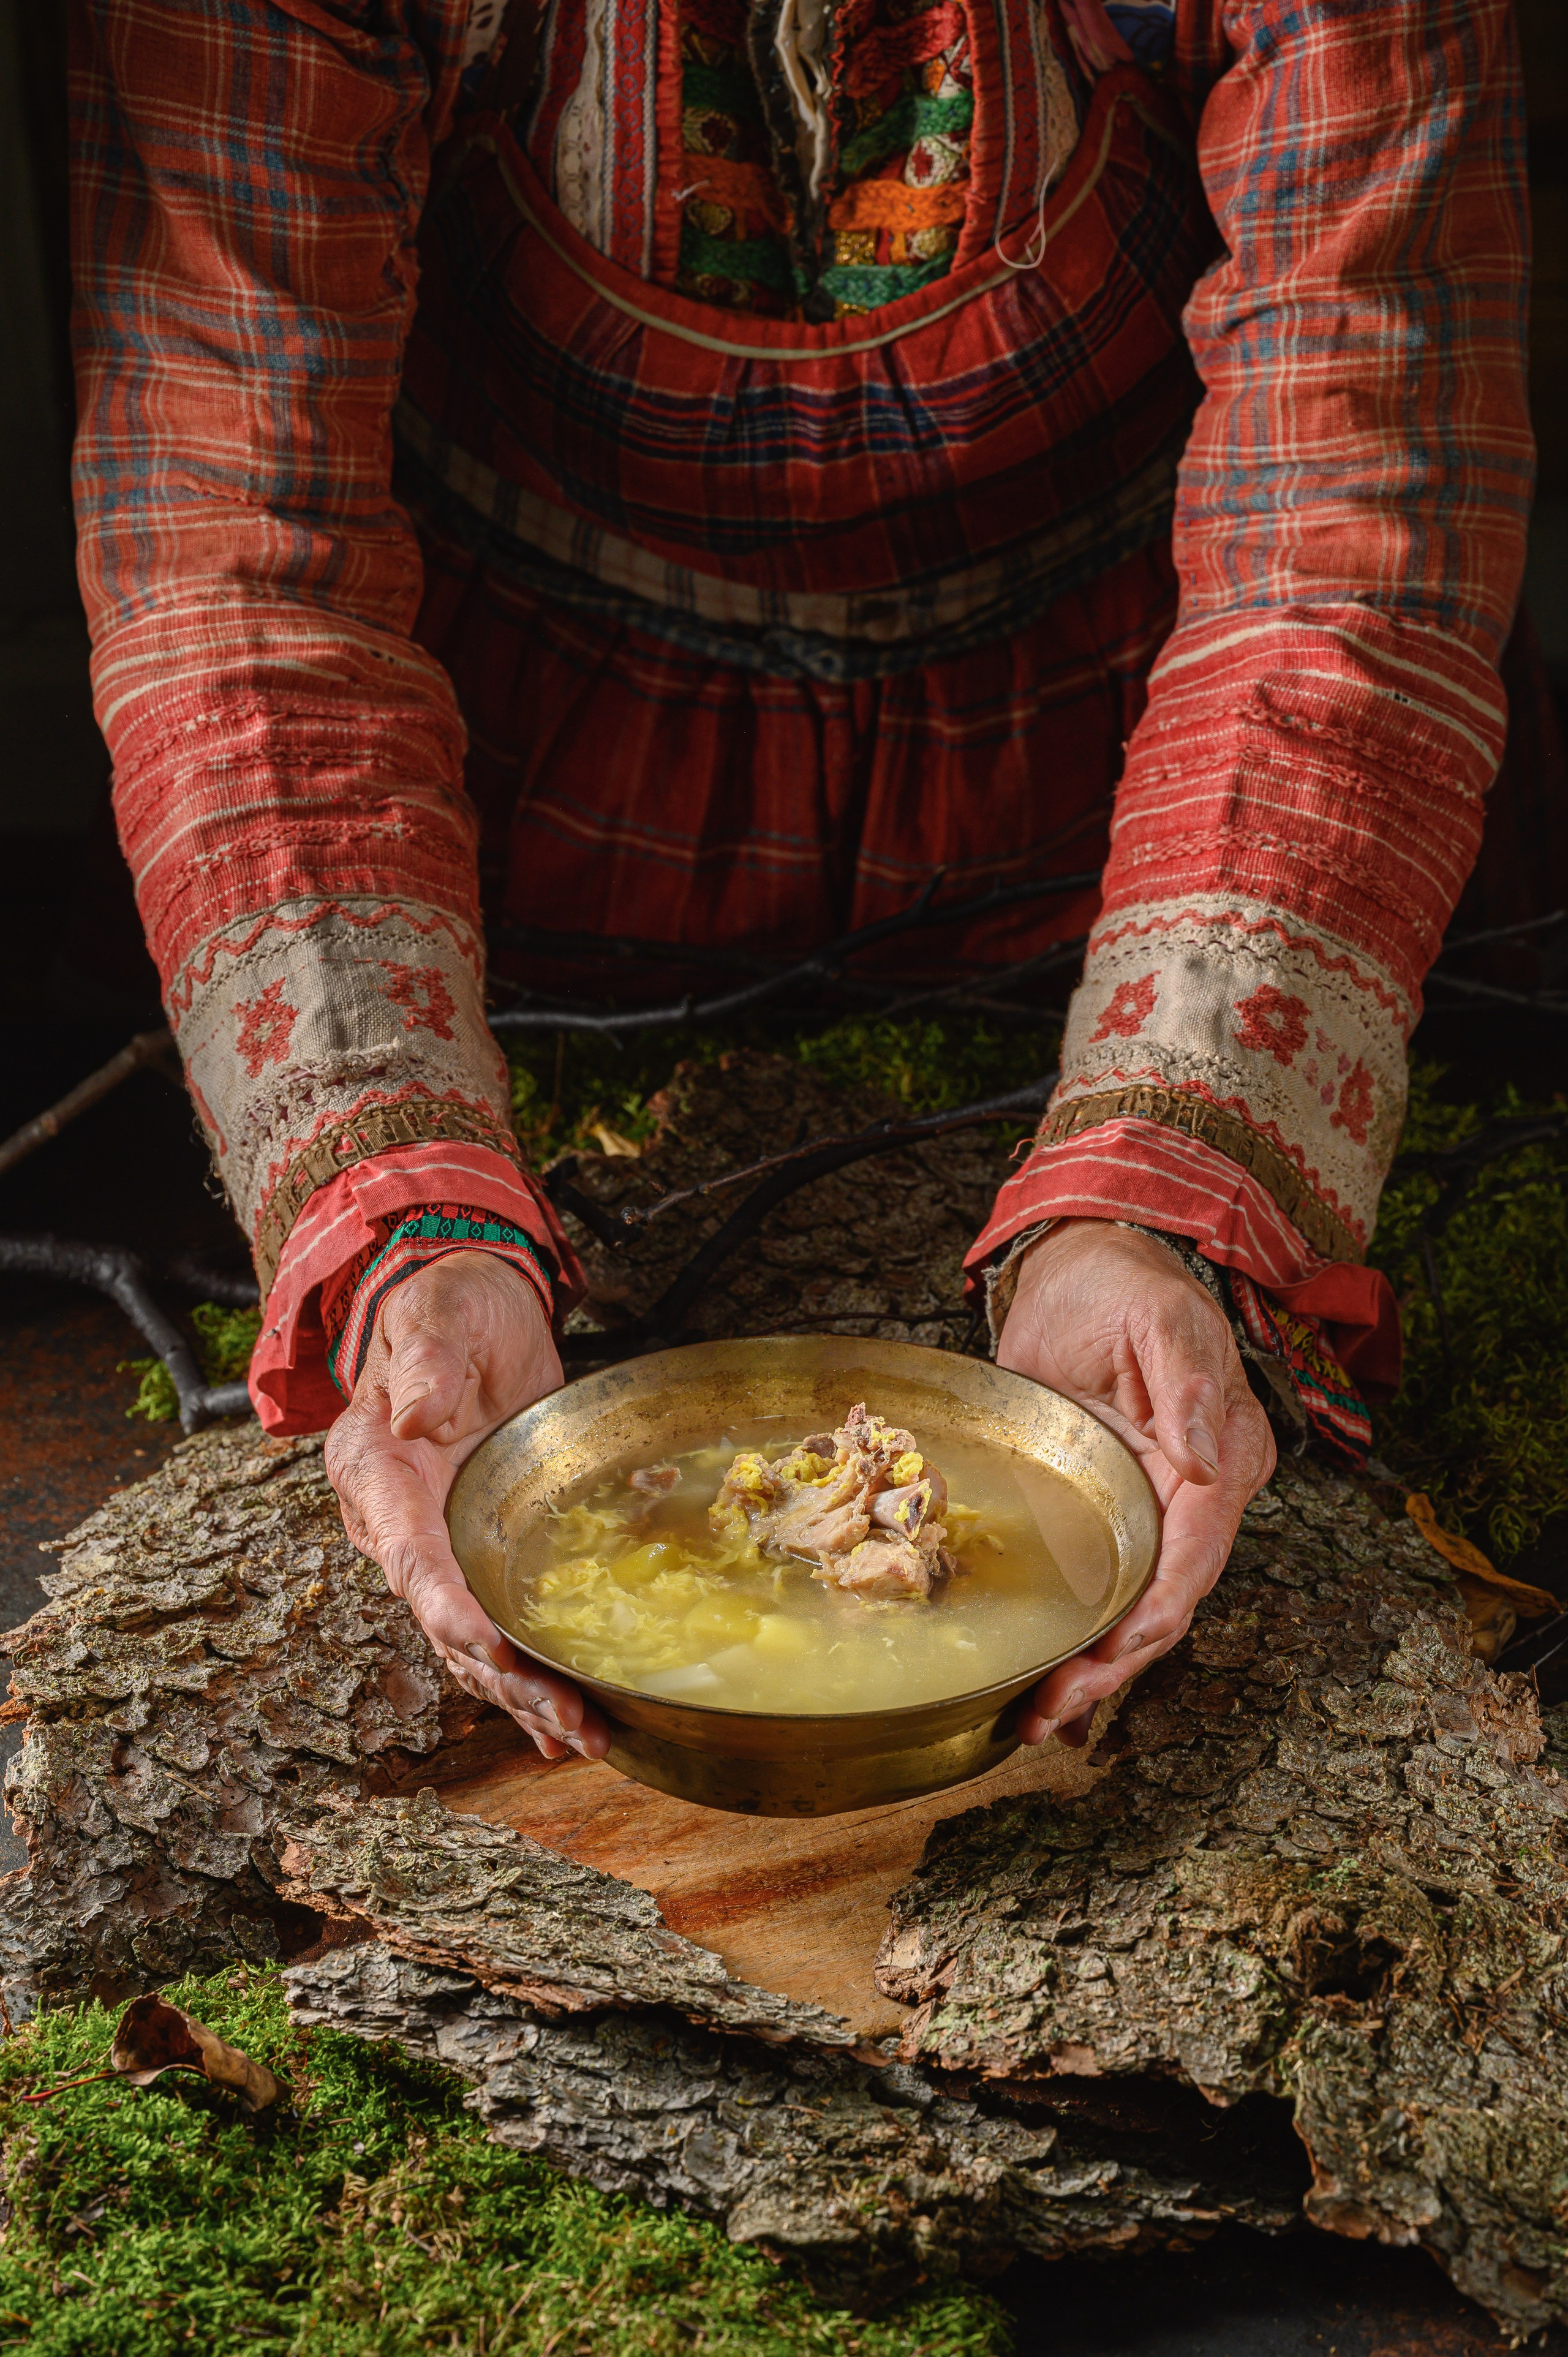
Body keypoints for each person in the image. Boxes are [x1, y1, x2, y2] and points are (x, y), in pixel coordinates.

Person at [68, 0, 1530, 1761]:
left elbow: (1348, 538)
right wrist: (400, 1209)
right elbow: (240, 563)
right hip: (516, 883)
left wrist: (1174, 1179)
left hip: (1153, 860)